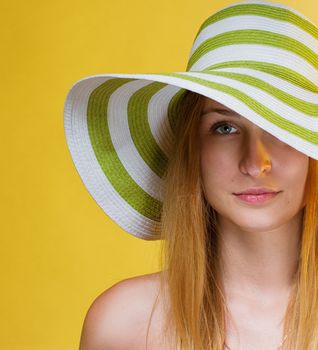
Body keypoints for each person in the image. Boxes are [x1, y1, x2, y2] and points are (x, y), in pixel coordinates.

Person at [63, 1, 318, 349]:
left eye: (282, 127)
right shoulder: (123, 325)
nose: (255, 163)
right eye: (225, 127)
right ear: (191, 148)